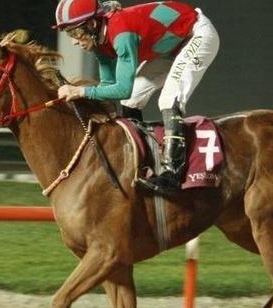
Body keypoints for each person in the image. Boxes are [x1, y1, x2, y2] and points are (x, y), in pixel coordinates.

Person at [53, 0, 220, 196]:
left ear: (92, 25)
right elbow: (107, 87)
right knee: (130, 101)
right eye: (69, 34)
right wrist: (82, 98)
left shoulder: (121, 34)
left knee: (168, 98)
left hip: (197, 36)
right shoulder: (99, 41)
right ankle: (140, 163)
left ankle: (172, 175)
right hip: (170, 47)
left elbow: (123, 88)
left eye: (75, 32)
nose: (73, 41)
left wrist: (81, 91)